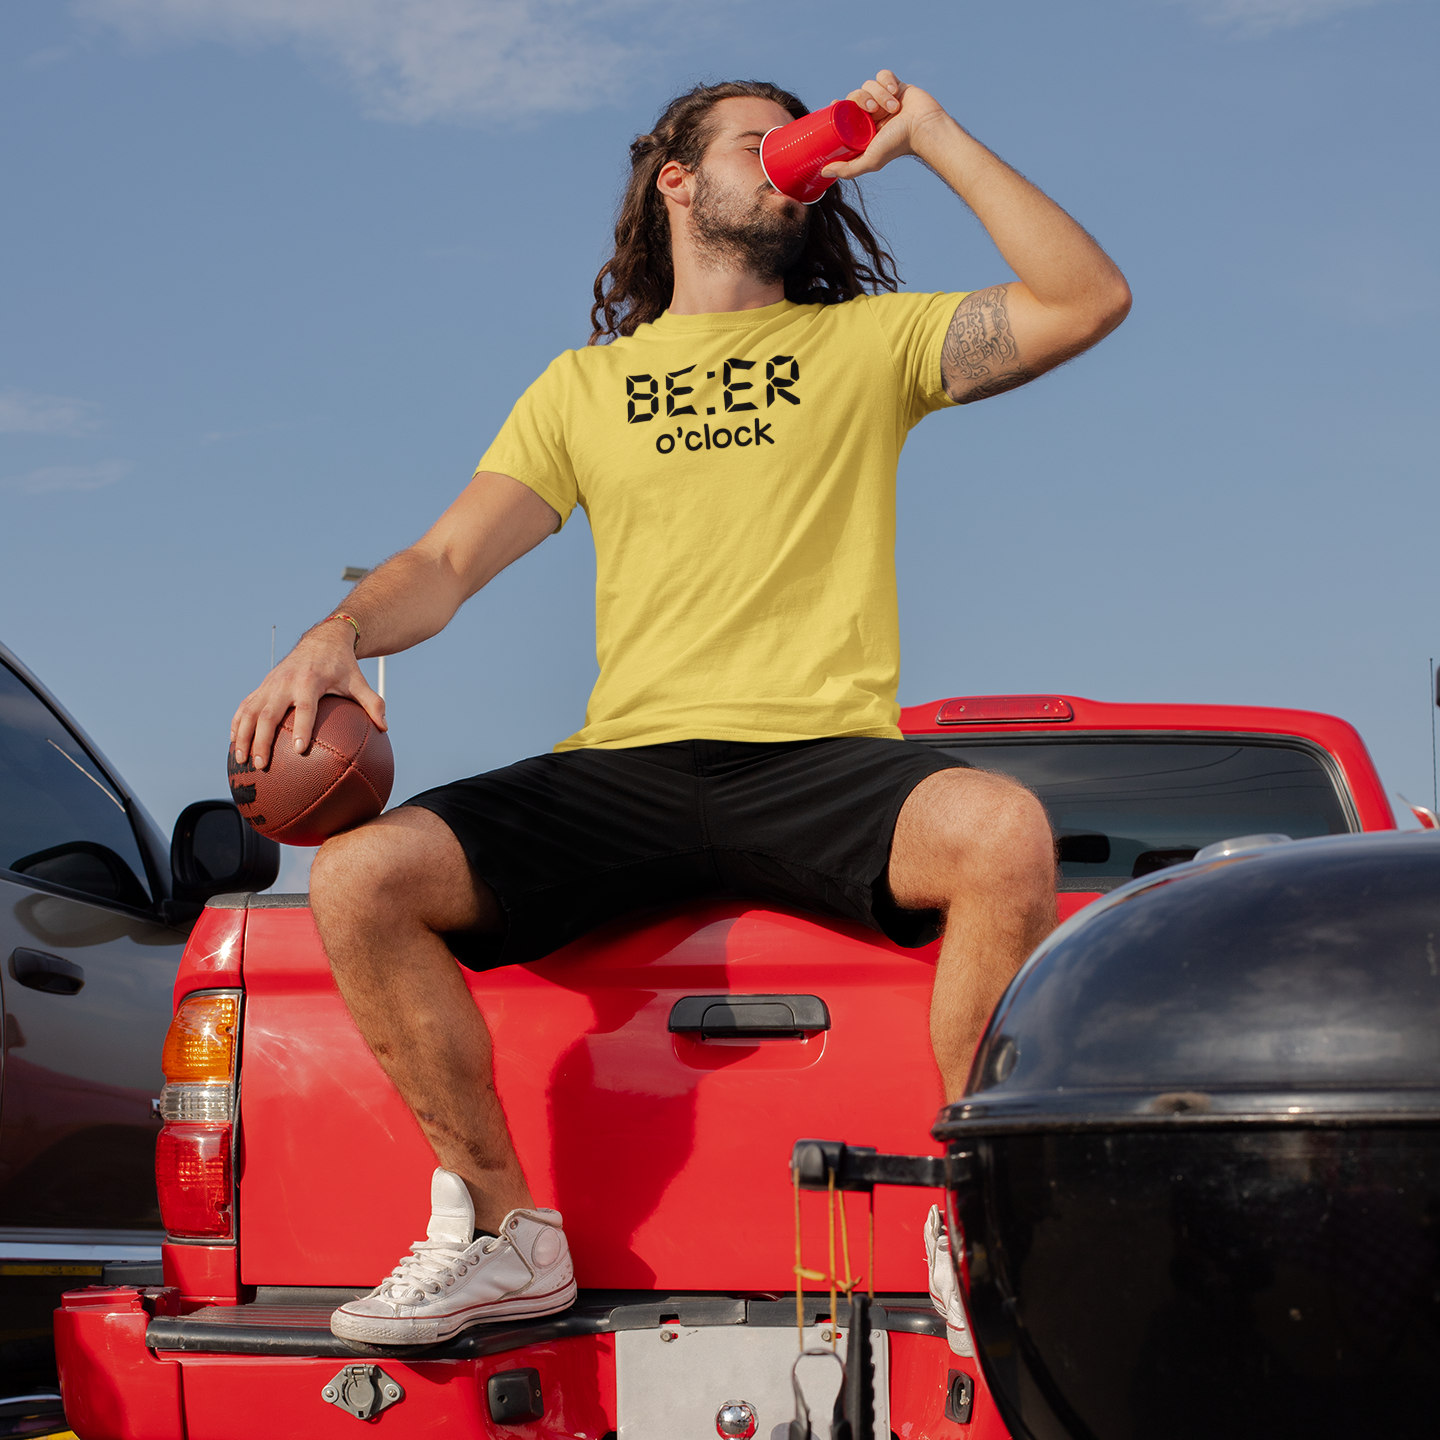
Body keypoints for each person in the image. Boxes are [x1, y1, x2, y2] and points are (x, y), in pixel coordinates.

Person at [230, 71, 1130, 1346]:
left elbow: (1086, 297)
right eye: (758, 146)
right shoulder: (585, 390)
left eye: (800, 152)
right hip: (632, 769)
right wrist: (333, 637)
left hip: (818, 760)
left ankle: (974, 1216)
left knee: (1000, 831)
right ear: (677, 180)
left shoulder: (862, 347)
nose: (791, 167)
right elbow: (441, 566)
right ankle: (504, 1232)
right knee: (360, 880)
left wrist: (926, 137)